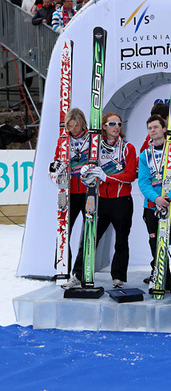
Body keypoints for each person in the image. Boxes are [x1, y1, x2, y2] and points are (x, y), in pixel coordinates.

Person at [63, 112, 137, 289]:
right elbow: (83, 166)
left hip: (121, 200)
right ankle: (78, 274)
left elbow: (130, 176)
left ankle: (118, 277)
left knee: (121, 241)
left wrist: (106, 176)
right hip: (100, 201)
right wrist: (84, 172)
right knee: (89, 238)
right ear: (103, 126)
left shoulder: (128, 148)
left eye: (119, 124)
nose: (116, 127)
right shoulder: (94, 147)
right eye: (112, 124)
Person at [138, 115, 171, 298]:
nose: (152, 130)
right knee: (157, 246)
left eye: (156, 127)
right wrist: (156, 199)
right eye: (149, 128)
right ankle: (163, 281)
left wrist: (169, 197)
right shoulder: (145, 154)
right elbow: (143, 182)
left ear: (164, 128)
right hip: (152, 207)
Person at [49, 108, 90, 274]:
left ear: (82, 123)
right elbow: (56, 161)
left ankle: (81, 271)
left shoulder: (92, 138)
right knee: (63, 229)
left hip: (88, 192)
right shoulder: (63, 140)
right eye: (70, 126)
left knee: (88, 233)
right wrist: (55, 169)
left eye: (76, 126)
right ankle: (61, 267)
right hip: (69, 192)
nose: (73, 129)